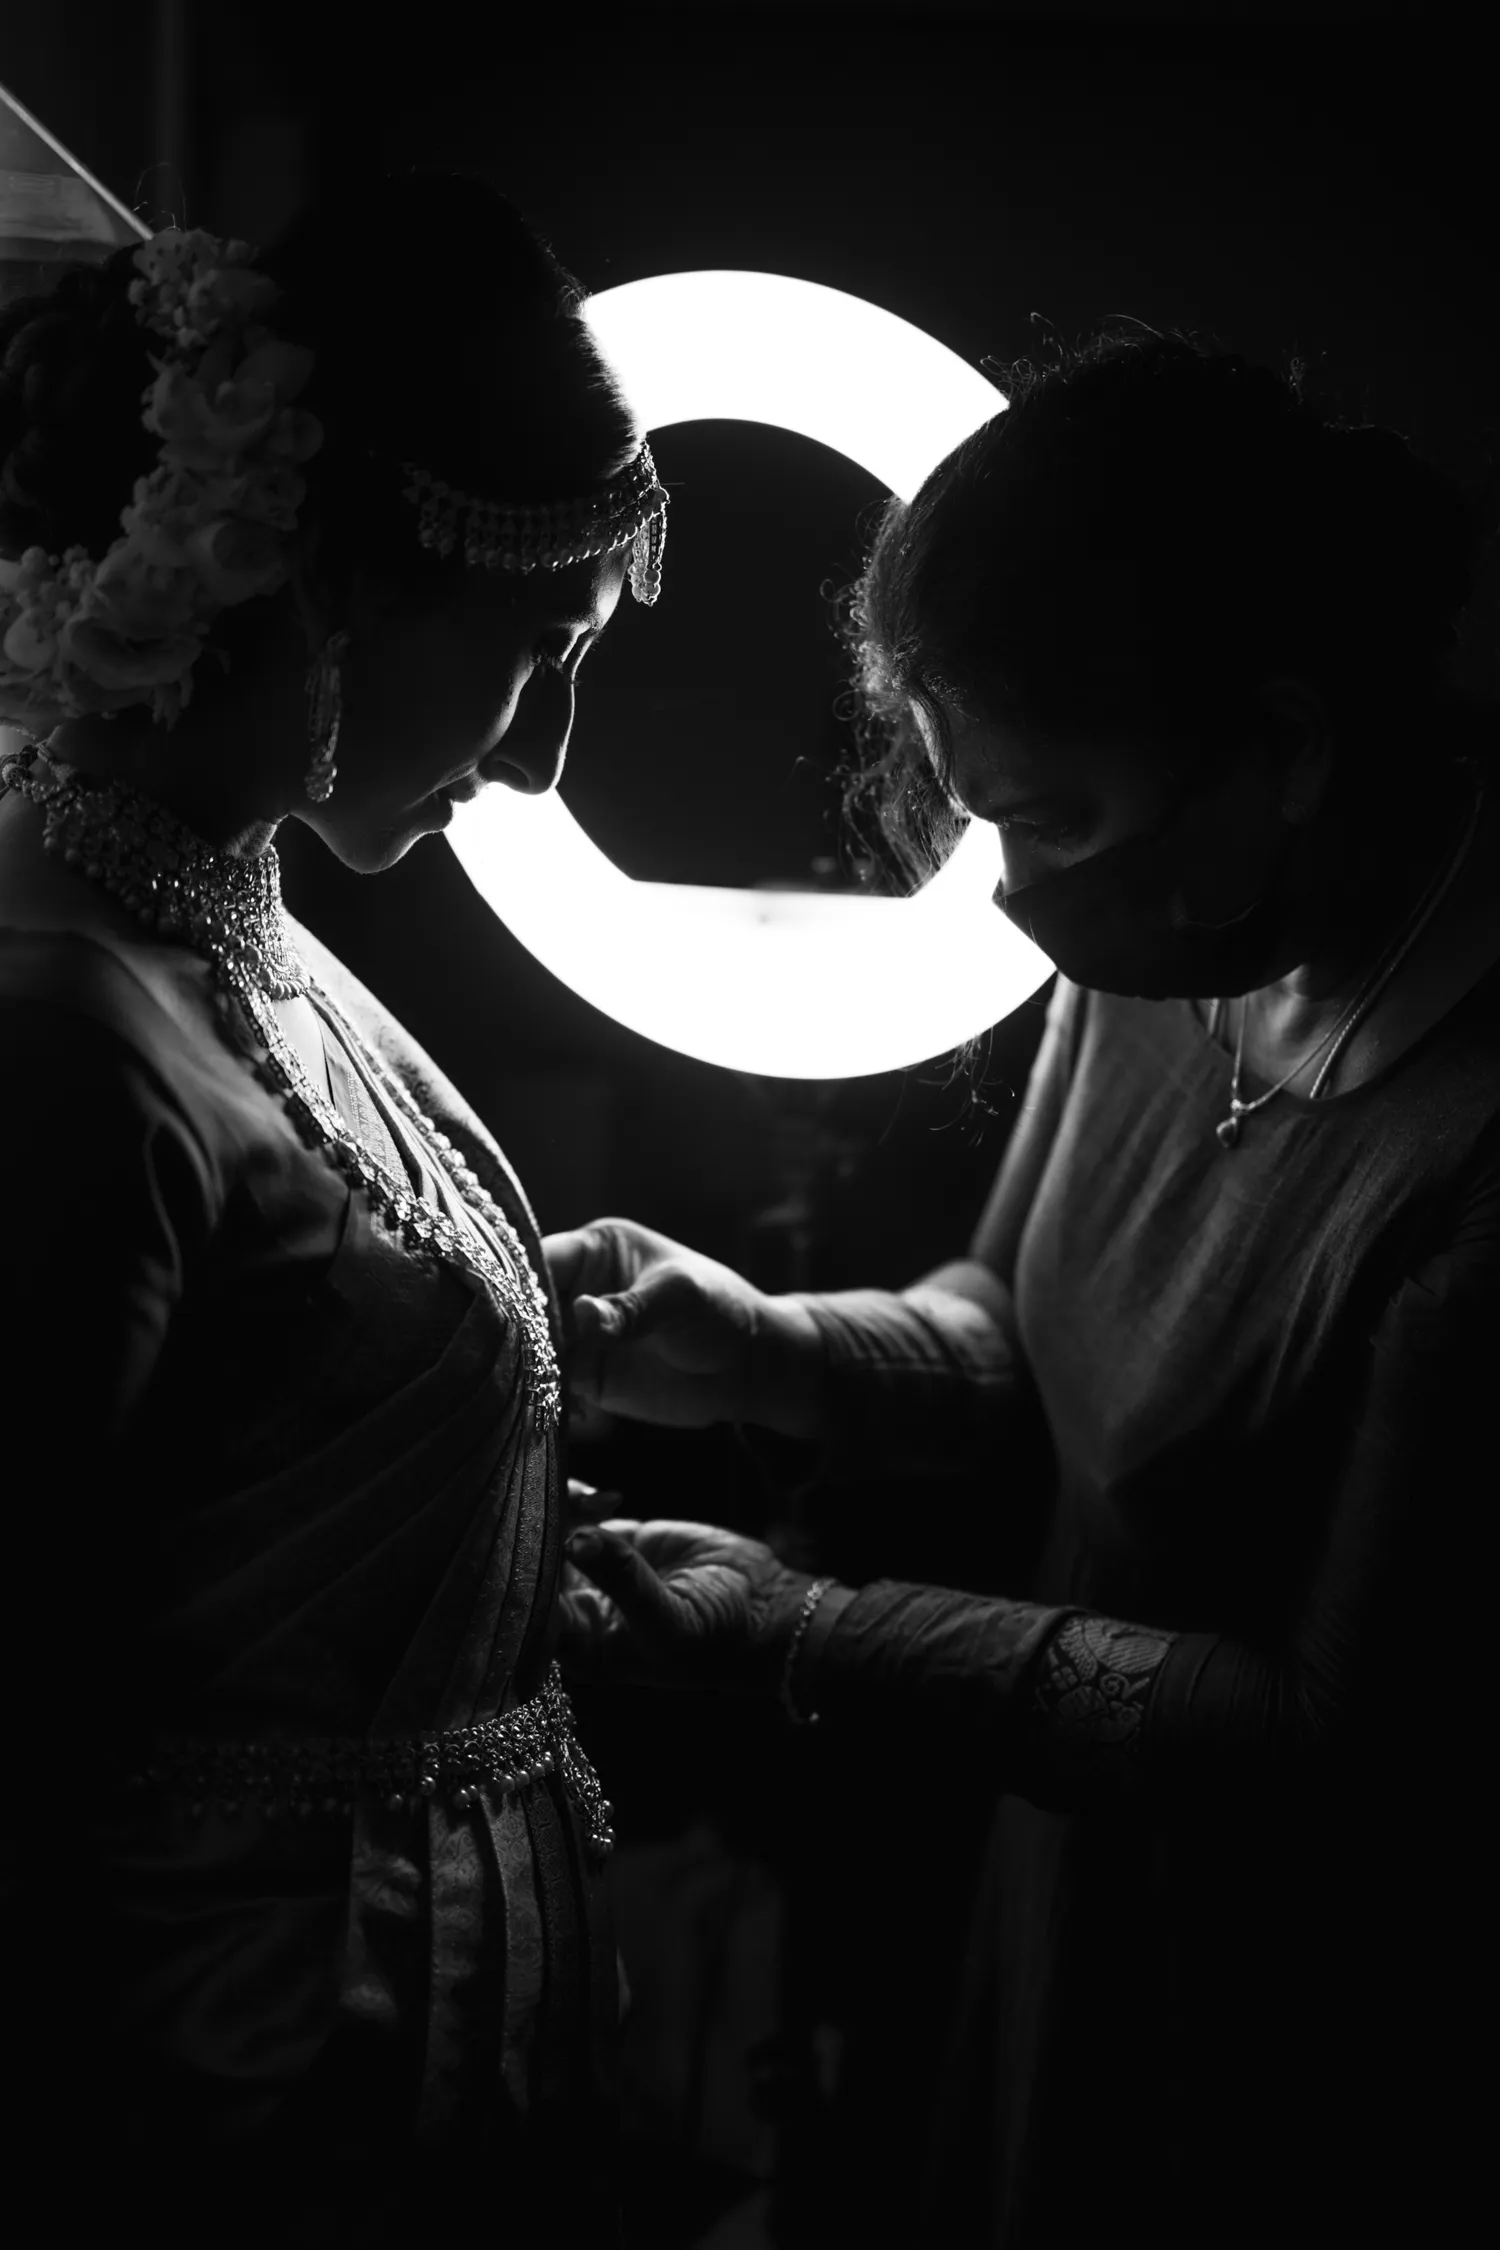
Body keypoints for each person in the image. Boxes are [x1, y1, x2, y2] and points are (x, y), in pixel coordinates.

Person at [547, 327, 1500, 2246]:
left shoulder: (1467, 1158)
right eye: (987, 817)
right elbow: (1015, 1325)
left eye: (1053, 819)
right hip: (1071, 1902)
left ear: (1289, 753)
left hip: (1302, 2034)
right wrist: (759, 1346)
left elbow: (1328, 1745)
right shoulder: (1177, 935)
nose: (1013, 893)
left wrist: (796, 1634)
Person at [0, 168, 668, 2244]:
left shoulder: (235, 918)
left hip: (401, 2058)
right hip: (221, 2109)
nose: (550, 758)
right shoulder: (60, 1025)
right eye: (536, 646)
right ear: (347, 587)